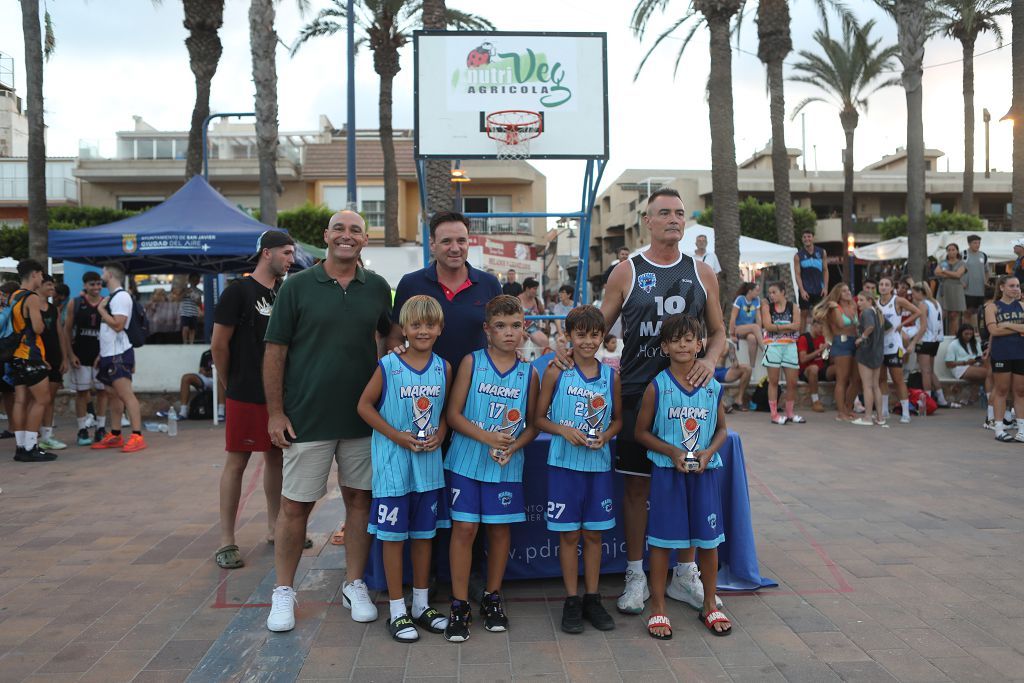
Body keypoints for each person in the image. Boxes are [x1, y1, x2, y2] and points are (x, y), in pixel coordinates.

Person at [596, 187, 726, 616]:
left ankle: (684, 574)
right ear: (647, 222)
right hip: (637, 390)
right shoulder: (626, 271)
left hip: (689, 397)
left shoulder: (702, 272)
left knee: (687, 481)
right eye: (663, 212)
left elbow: (720, 332)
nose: (673, 218)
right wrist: (568, 351)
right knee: (637, 485)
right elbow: (599, 329)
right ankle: (636, 574)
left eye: (679, 212)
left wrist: (709, 358)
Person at [264, 211, 392, 632]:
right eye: (339, 228)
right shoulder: (297, 286)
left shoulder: (376, 288)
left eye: (355, 230)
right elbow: (275, 352)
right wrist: (276, 412)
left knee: (360, 502)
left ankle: (353, 583)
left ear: (364, 240)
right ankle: (283, 591)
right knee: (294, 506)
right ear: (325, 236)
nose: (346, 235)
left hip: (361, 419)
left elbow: (387, 342)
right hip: (307, 419)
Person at [443, 295, 539, 642]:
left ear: (525, 329)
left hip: (505, 466)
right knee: (465, 530)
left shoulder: (530, 373)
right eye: (501, 326)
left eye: (515, 326)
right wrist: (486, 437)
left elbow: (532, 424)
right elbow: (452, 415)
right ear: (487, 330)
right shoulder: (472, 363)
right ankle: (458, 604)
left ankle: (493, 597)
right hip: (467, 461)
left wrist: (514, 444)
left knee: (499, 532)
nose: (509, 333)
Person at [356, 295, 452, 642]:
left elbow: (443, 413)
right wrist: (397, 435)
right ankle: (397, 609)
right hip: (393, 467)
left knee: (425, 536)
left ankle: (421, 604)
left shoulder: (444, 367)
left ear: (440, 328)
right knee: (394, 540)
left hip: (428, 467)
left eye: (430, 324)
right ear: (404, 329)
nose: (423, 331)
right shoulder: (388, 365)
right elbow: (365, 407)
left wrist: (440, 433)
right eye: (416, 325)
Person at [634, 314, 731, 639]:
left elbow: (722, 430)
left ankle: (708, 604)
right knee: (662, 542)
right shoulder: (657, 386)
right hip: (668, 475)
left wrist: (708, 452)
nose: (683, 344)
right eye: (676, 340)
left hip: (703, 473)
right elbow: (641, 433)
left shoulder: (712, 386)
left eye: (689, 339)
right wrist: (671, 452)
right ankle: (658, 606)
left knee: (708, 540)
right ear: (665, 346)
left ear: (700, 344)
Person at [212, 232, 298, 571]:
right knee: (237, 462)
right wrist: (228, 382)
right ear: (267, 253)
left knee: (276, 458)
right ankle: (226, 540)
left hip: (278, 395)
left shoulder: (285, 291)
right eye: (286, 253)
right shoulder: (238, 291)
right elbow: (219, 344)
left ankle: (276, 529)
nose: (291, 259)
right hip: (245, 392)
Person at [534, 305, 621, 635]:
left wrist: (607, 436)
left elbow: (618, 421)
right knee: (569, 535)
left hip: (597, 466)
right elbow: (538, 418)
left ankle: (592, 597)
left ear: (602, 337)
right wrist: (562, 430)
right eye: (580, 334)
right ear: (568, 336)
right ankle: (572, 599)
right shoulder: (557, 372)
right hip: (563, 466)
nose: (587, 341)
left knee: (594, 535)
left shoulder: (611, 375)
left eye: (594, 334)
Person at [390, 212, 503, 370]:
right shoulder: (410, 284)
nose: (455, 248)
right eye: (446, 241)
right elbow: (395, 337)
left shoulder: (489, 284)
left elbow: (504, 332)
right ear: (432, 244)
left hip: (477, 387)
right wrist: (400, 364)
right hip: (425, 389)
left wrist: (512, 354)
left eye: (461, 240)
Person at [90, 263, 146, 453]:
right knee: (113, 395)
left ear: (111, 274)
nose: (101, 274)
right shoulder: (113, 297)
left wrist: (101, 311)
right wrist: (101, 354)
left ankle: (137, 435)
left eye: (104, 271)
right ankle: (115, 434)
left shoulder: (121, 297)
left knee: (125, 395)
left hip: (119, 355)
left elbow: (118, 325)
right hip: (109, 354)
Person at [6, 260, 56, 462]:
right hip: (31, 354)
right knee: (42, 400)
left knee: (20, 400)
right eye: (41, 275)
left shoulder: (14, 296)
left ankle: (20, 446)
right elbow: (37, 328)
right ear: (35, 274)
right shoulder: (32, 298)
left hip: (16, 354)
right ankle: (30, 447)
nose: (43, 278)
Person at [64, 271, 109, 446]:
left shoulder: (107, 303)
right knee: (82, 393)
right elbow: (67, 331)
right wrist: (70, 354)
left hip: (101, 355)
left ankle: (100, 428)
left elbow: (110, 332)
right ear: (85, 285)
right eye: (92, 284)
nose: (96, 287)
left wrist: (103, 354)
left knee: (103, 392)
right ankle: (82, 430)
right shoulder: (75, 303)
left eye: (98, 284)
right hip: (80, 355)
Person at [984, 275, 1024, 442]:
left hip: (1020, 353)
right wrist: (1019, 329)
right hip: (1002, 353)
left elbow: (1000, 328)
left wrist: (1006, 325)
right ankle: (999, 429)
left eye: (1017, 286)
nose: (1016, 288)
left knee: (1020, 392)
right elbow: (994, 331)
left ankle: (1022, 430)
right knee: (1001, 390)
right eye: (1012, 286)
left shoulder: (1022, 305)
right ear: (1002, 287)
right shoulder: (991, 307)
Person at [760, 280, 805, 425]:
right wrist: (787, 327)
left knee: (792, 382)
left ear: (783, 292)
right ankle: (774, 415)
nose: (771, 295)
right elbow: (767, 326)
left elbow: (798, 326)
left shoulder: (794, 307)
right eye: (770, 293)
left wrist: (777, 327)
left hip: (790, 346)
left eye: (774, 292)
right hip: (773, 346)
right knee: (773, 381)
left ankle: (790, 413)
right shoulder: (767, 307)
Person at [877, 275, 920, 424]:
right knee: (881, 378)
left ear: (891, 287)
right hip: (879, 345)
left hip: (895, 345)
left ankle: (906, 412)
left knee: (898, 379)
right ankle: (884, 410)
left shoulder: (897, 300)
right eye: (881, 284)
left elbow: (917, 312)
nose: (883, 287)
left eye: (886, 284)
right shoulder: (876, 303)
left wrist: (903, 324)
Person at [814, 284, 859, 421]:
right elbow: (840, 324)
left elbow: (856, 325)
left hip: (855, 341)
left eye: (848, 290)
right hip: (841, 342)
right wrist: (840, 310)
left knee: (856, 379)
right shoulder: (834, 308)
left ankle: (848, 407)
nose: (847, 293)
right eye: (843, 291)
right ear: (838, 294)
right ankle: (841, 412)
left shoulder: (853, 305)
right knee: (842, 379)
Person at [37, 275, 69, 451]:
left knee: (50, 398)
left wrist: (64, 358)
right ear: (39, 285)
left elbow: (61, 334)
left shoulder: (53, 309)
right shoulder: (30, 306)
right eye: (49, 285)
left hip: (55, 358)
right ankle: (30, 437)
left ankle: (47, 436)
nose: (52, 288)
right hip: (37, 359)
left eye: (53, 285)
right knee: (35, 399)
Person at [909, 283, 947, 408]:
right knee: (930, 371)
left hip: (925, 340)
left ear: (920, 292)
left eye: (914, 293)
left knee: (925, 371)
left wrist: (914, 342)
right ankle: (941, 399)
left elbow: (923, 326)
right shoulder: (935, 303)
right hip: (935, 340)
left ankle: (927, 401)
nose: (912, 296)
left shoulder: (923, 305)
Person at [853, 291, 886, 427]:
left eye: (861, 300)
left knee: (867, 386)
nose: (858, 303)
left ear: (869, 301)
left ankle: (867, 417)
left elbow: (870, 327)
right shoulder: (878, 313)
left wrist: (862, 337)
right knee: (875, 386)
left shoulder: (867, 313)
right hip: (877, 353)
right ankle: (880, 417)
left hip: (866, 352)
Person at [794, 229, 829, 331]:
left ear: (813, 238)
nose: (807, 239)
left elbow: (826, 270)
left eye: (809, 236)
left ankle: (821, 338)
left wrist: (826, 288)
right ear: (802, 239)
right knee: (804, 315)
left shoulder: (822, 252)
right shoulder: (798, 256)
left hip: (819, 289)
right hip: (805, 290)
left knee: (820, 315)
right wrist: (802, 290)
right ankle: (802, 339)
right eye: (804, 237)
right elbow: (797, 274)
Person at [944, 323, 986, 404]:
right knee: (989, 374)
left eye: (971, 334)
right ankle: (983, 397)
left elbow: (980, 357)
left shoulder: (975, 343)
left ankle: (970, 396)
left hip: (975, 366)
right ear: (961, 333)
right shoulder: (954, 344)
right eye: (966, 334)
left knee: (988, 369)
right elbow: (948, 364)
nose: (969, 336)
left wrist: (979, 360)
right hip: (960, 368)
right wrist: (965, 362)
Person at [797, 319, 833, 413]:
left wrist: (829, 350)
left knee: (839, 369)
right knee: (814, 368)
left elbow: (825, 357)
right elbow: (803, 359)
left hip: (821, 368)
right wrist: (819, 350)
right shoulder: (804, 338)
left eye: (824, 327)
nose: (822, 330)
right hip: (806, 371)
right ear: (813, 325)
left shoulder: (823, 338)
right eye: (821, 327)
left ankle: (851, 400)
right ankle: (815, 400)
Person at [937, 243, 967, 335]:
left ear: (957, 251)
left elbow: (958, 274)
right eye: (949, 250)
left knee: (954, 316)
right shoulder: (943, 262)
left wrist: (944, 272)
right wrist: (952, 274)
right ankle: (937, 335)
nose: (951, 252)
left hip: (956, 291)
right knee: (941, 314)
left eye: (953, 249)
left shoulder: (962, 263)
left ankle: (953, 337)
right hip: (944, 290)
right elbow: (937, 272)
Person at [729, 283, 762, 366]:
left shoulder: (757, 300)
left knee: (752, 338)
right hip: (738, 329)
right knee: (755, 327)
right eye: (757, 290)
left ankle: (752, 367)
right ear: (750, 291)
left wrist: (759, 331)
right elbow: (733, 318)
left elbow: (758, 318)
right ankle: (764, 349)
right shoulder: (740, 299)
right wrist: (732, 334)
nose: (758, 293)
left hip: (751, 330)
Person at [715, 339, 752, 413]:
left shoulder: (729, 345)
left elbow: (734, 362)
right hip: (709, 370)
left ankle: (738, 400)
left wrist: (735, 362)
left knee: (747, 369)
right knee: (708, 374)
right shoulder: (706, 342)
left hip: (722, 371)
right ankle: (723, 405)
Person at [963, 235, 990, 329]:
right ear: (969, 243)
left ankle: (976, 332)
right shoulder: (963, 254)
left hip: (980, 290)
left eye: (978, 243)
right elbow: (956, 269)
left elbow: (987, 271)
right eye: (975, 243)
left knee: (978, 312)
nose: (977, 245)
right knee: (968, 312)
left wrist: (986, 281)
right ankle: (966, 331)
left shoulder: (983, 255)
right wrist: (961, 282)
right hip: (968, 290)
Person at [517, 277, 550, 352]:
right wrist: (521, 331)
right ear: (527, 288)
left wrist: (547, 324)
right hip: (519, 328)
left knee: (545, 341)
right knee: (518, 343)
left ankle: (545, 363)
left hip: (533, 328)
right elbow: (511, 318)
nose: (536, 291)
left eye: (536, 289)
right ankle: (519, 363)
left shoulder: (536, 300)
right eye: (534, 288)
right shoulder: (517, 300)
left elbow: (543, 313)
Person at [179, 273, 202, 344]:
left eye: (196, 280)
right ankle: (185, 342)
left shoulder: (199, 291)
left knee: (192, 329)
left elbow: (200, 303)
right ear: (190, 280)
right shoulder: (185, 289)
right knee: (185, 328)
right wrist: (186, 292)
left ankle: (191, 343)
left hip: (194, 312)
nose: (195, 281)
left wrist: (197, 300)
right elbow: (179, 298)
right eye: (193, 279)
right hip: (184, 312)